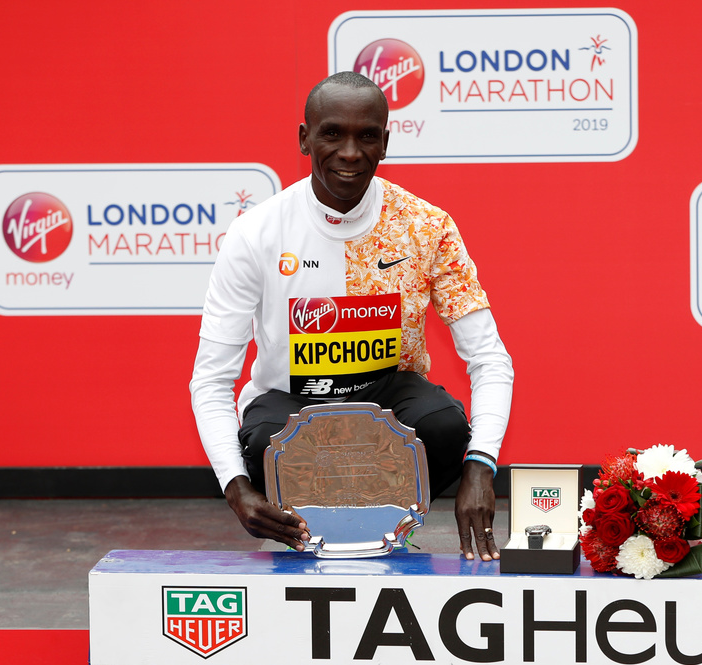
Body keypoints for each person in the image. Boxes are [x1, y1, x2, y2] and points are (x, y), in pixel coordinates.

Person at [190, 72, 514, 560]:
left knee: (445, 427)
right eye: (332, 133)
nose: (349, 152)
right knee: (265, 442)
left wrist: (481, 465)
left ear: (385, 143)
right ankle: (319, 531)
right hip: (291, 406)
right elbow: (212, 380)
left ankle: (389, 525)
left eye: (366, 136)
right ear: (305, 139)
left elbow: (490, 359)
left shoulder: (427, 227)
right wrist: (236, 488)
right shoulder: (255, 233)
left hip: (390, 400)